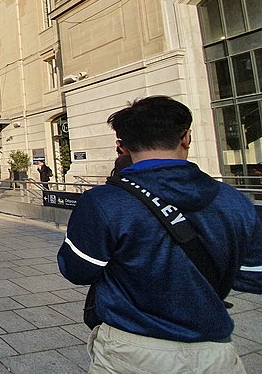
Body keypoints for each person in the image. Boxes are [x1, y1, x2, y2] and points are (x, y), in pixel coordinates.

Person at [57, 96, 262, 373]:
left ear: (123, 146)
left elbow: (77, 270)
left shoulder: (104, 201)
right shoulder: (234, 200)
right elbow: (254, 274)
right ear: (186, 137)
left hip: (131, 349)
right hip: (214, 350)